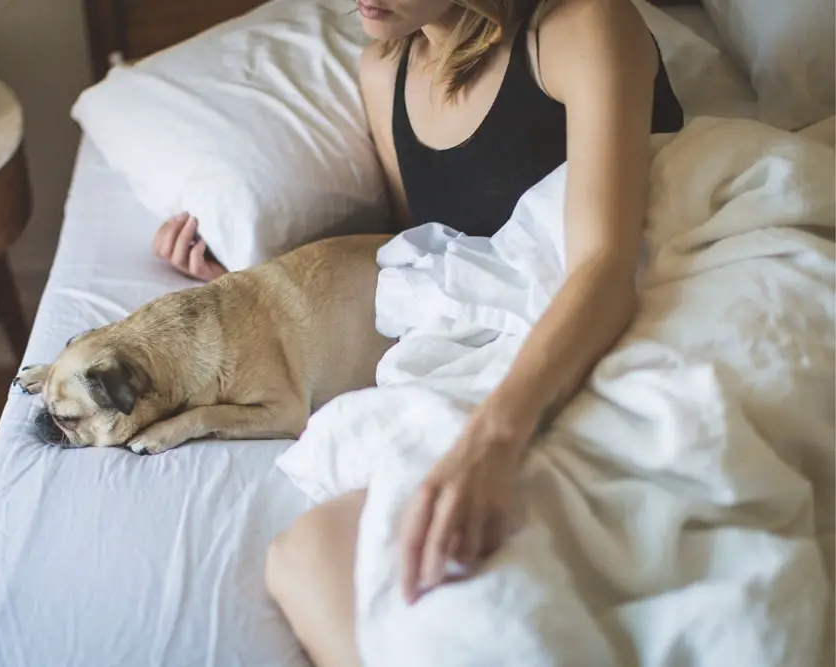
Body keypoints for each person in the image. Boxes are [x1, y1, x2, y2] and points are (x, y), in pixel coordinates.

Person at [154, 0, 683, 664]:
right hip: (491, 337)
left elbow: (605, 269)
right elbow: (432, 257)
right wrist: (247, 278)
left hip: (621, 316)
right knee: (303, 556)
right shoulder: (386, 72)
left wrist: (489, 441)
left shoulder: (580, 27)